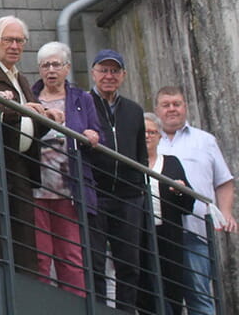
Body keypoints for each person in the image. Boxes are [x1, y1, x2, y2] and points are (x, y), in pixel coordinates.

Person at [0, 16, 49, 277]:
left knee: (24, 234)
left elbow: (31, 120)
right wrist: (23, 110)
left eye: (20, 41)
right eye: (9, 40)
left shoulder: (21, 78)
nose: (15, 46)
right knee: (4, 232)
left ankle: (24, 286)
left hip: (21, 165)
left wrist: (48, 117)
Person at [29, 41, 103, 297]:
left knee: (71, 258)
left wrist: (92, 134)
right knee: (40, 258)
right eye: (45, 65)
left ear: (67, 68)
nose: (51, 70)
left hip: (70, 190)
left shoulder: (82, 99)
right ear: (39, 69)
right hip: (36, 190)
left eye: (56, 64)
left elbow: (96, 133)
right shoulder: (30, 98)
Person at [155, 85, 236, 315]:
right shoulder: (149, 140)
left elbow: (224, 181)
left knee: (199, 297)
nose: (172, 109)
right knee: (164, 301)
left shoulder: (205, 141)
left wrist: (226, 212)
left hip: (196, 232)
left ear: (185, 107)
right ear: (157, 109)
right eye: (166, 105)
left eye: (176, 104)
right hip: (161, 232)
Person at [86, 49, 148, 311]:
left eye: (114, 71)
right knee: (95, 261)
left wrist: (138, 187)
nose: (108, 76)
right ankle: (99, 310)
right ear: (93, 73)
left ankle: (126, 310)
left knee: (129, 264)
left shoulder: (134, 110)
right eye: (103, 70)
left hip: (128, 196)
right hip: (96, 193)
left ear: (123, 75)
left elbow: (141, 154)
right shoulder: (83, 103)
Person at [140, 112, 194, 315]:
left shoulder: (171, 163)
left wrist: (181, 190)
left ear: (160, 136)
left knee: (173, 287)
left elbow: (189, 204)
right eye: (144, 132)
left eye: (152, 132)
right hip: (140, 234)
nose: (148, 136)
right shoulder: (130, 163)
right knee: (144, 289)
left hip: (169, 234)